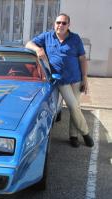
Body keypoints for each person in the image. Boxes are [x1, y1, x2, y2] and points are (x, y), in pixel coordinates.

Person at [25, 13, 94, 148]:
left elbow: (82, 59)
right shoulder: (47, 36)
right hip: (61, 80)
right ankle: (86, 133)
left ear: (68, 25)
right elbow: (28, 43)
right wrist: (38, 48)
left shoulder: (75, 39)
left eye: (64, 23)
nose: (60, 25)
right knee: (73, 106)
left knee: (76, 107)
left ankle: (73, 136)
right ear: (54, 24)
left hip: (76, 78)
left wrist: (85, 78)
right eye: (58, 22)